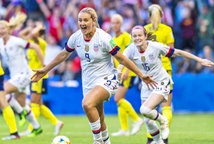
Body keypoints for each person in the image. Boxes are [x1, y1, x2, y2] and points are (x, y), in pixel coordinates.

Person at [30, 7, 157, 144]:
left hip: (108, 79)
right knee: (99, 117)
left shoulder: (103, 38)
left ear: (93, 21)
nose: (82, 23)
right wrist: (45, 70)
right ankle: (106, 141)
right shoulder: (76, 37)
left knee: (87, 104)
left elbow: (122, 58)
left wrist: (141, 74)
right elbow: (63, 54)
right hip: (88, 82)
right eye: (80, 20)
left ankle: (97, 141)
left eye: (86, 20)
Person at [118, 25, 214, 144]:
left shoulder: (155, 47)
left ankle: (163, 121)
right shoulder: (131, 49)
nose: (137, 38)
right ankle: (159, 142)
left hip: (162, 82)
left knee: (144, 109)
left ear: (145, 36)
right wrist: (118, 72)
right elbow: (122, 61)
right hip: (147, 85)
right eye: (134, 36)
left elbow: (178, 52)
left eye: (139, 35)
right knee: (148, 120)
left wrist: (200, 60)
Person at [18, 20, 64, 136]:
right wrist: (30, 26)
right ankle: (57, 123)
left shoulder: (41, 43)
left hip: (39, 76)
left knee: (34, 102)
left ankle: (31, 128)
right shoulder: (31, 42)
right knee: (38, 104)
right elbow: (21, 35)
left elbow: (33, 34)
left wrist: (37, 26)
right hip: (34, 75)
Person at [0, 20, 44, 140]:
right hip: (15, 77)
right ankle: (36, 127)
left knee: (2, 93)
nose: (1, 31)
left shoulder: (16, 41)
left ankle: (20, 113)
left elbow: (34, 46)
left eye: (3, 28)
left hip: (24, 74)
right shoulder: (0, 43)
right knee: (22, 103)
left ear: (8, 29)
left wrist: (43, 65)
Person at [108, 13, 144, 137]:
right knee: (119, 101)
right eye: (112, 23)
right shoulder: (113, 39)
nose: (114, 25)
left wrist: (127, 71)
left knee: (117, 98)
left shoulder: (126, 37)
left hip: (127, 72)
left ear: (121, 24)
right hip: (118, 72)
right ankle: (124, 129)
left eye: (117, 22)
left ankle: (137, 120)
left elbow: (132, 54)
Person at [144, 4, 174, 144]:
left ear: (149, 16)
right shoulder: (167, 30)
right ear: (162, 15)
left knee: (148, 107)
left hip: (149, 73)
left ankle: (151, 138)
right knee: (166, 106)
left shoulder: (144, 30)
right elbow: (171, 52)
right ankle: (164, 137)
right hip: (165, 71)